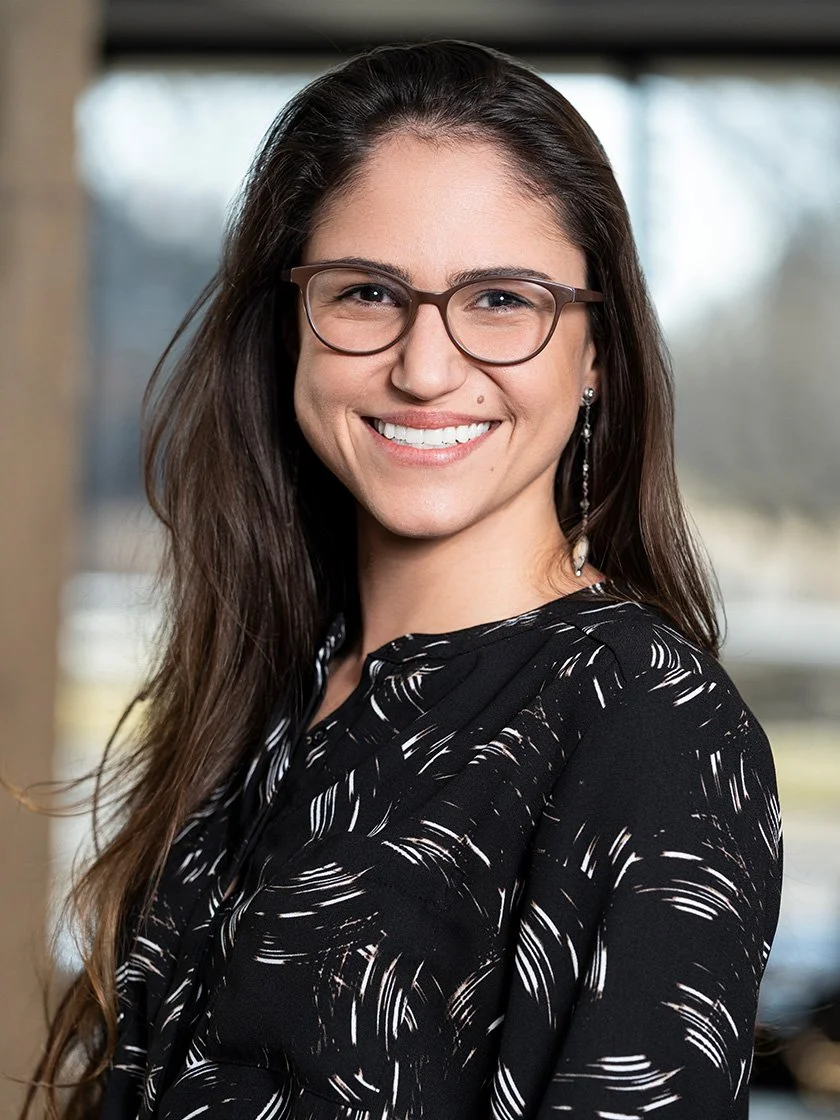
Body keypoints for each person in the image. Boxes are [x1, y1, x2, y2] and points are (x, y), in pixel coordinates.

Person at [24, 39, 783, 1120]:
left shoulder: (648, 722)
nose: (425, 369)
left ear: (597, 352)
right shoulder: (272, 696)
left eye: (502, 300)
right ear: (293, 321)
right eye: (369, 292)